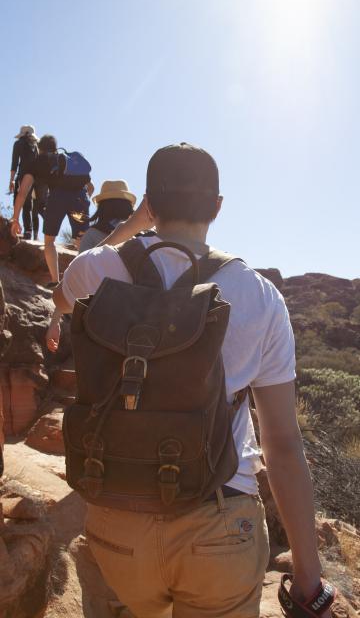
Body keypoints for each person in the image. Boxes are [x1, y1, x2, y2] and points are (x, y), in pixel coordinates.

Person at [52, 143, 332, 618]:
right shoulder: (260, 296)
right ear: (217, 207)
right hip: (219, 524)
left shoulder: (96, 268)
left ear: (150, 204)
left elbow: (61, 300)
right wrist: (308, 579)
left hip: (117, 515)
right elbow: (282, 444)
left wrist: (133, 226)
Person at [46, 179, 136, 351]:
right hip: (137, 318)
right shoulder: (142, 236)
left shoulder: (93, 235)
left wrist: (55, 322)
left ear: (102, 207)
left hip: (99, 322)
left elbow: (76, 281)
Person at [10, 135, 92, 287]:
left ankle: (55, 280)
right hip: (79, 198)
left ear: (39, 148)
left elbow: (22, 193)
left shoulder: (36, 162)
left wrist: (15, 219)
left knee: (49, 241)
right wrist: (83, 202)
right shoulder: (68, 160)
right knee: (82, 239)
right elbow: (90, 187)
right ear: (55, 147)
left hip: (57, 199)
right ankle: (84, 281)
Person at [78, 179, 135, 253]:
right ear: (128, 205)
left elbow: (82, 263)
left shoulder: (91, 235)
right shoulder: (140, 232)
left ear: (102, 207)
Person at [9, 125, 40, 240]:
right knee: (28, 203)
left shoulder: (18, 144)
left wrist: (12, 179)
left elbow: (14, 162)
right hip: (33, 177)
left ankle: (16, 227)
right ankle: (28, 231)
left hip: (23, 175)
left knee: (18, 200)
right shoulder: (36, 146)